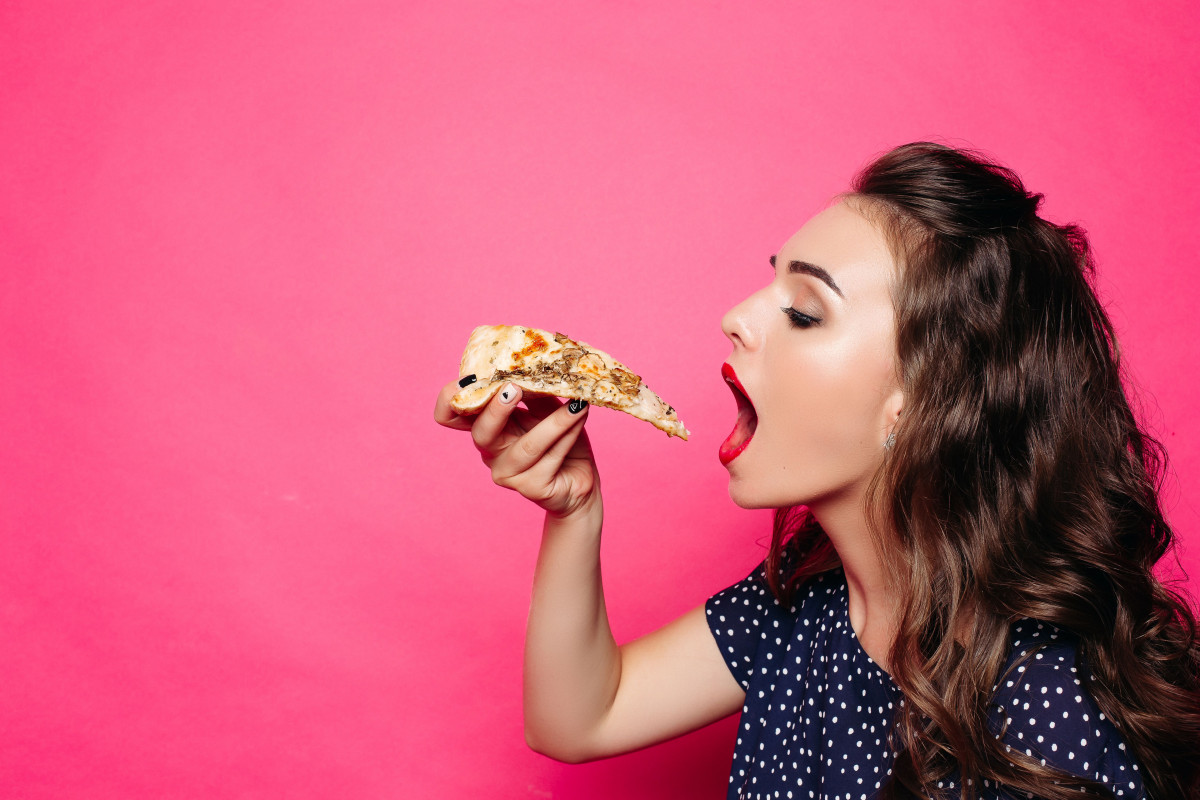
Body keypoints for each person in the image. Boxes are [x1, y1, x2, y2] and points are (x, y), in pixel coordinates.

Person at [433, 142, 1200, 799]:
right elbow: (582, 716)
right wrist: (574, 510)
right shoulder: (809, 604)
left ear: (920, 402)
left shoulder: (1044, 712)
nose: (738, 315)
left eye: (804, 312)